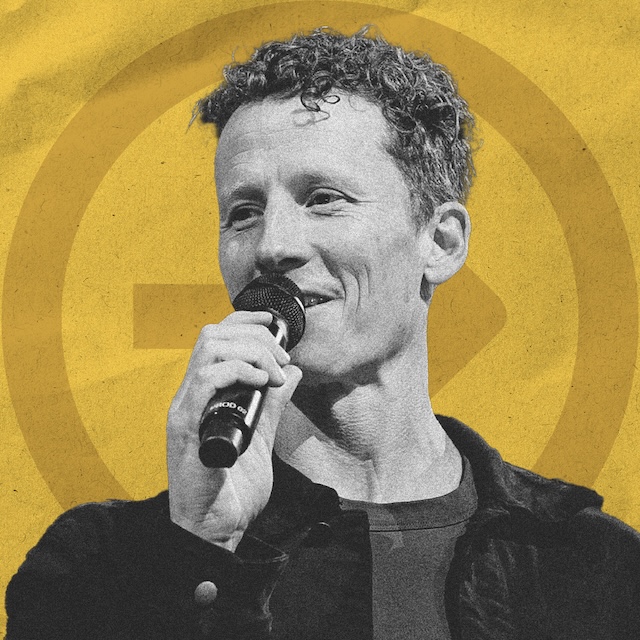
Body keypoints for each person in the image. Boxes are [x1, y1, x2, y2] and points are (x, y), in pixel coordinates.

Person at [6, 28, 640, 640]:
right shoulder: (98, 568)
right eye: (244, 212)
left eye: (324, 198)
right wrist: (203, 551)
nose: (272, 246)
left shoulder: (596, 566)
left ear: (441, 242)